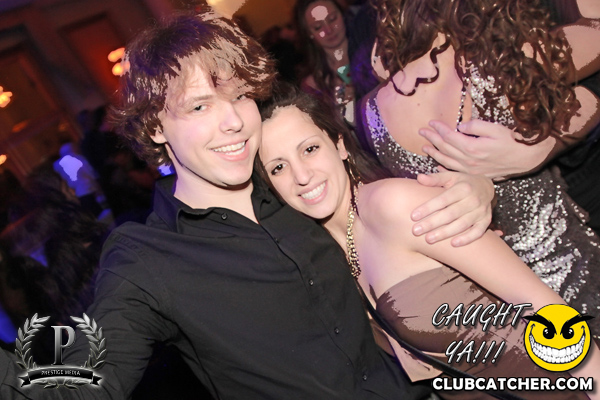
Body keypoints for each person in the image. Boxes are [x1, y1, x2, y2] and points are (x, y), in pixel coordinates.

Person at [0, 9, 494, 399]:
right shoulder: (145, 259)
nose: (234, 121)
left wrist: (478, 186)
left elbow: (379, 202)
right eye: (199, 106)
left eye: (240, 96)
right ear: (156, 126)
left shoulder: (291, 183)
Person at [259, 88, 600, 399]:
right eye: (278, 168)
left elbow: (539, 301)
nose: (301, 175)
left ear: (339, 146)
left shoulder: (393, 205)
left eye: (310, 149)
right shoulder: (327, 253)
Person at [356, 0, 600, 328]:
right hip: (574, 277)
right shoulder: (504, 59)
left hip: (496, 311)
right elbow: (595, 38)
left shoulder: (371, 113)